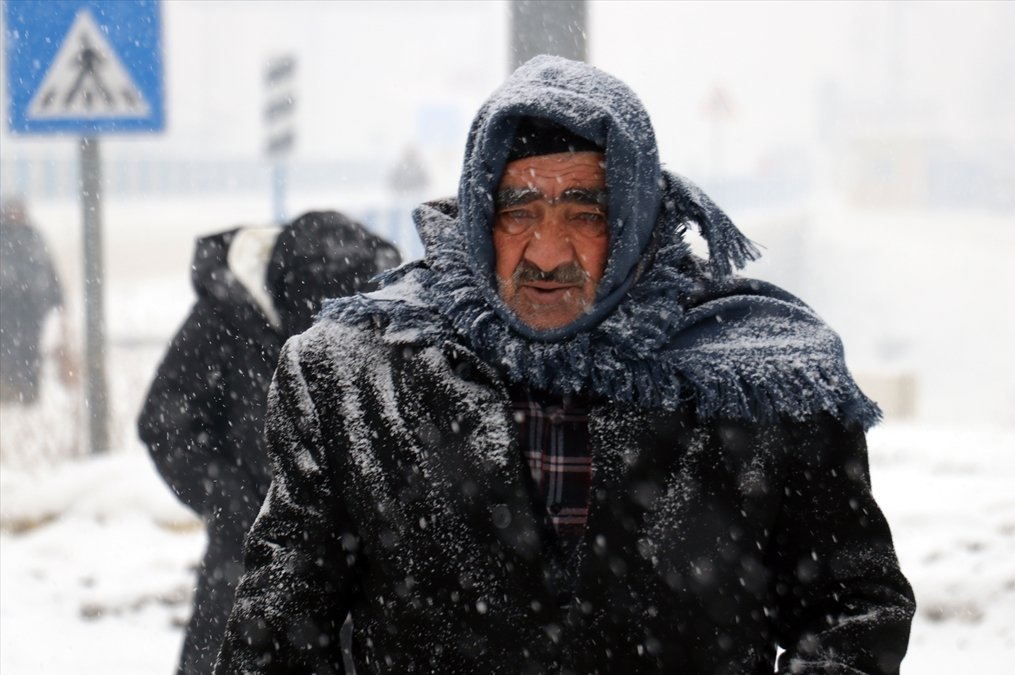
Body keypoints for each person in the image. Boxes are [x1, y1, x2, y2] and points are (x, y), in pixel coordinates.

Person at [217, 56, 914, 674]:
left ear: (640, 213)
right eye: (519, 209)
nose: (547, 252)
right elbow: (277, 634)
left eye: (585, 211)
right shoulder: (354, 379)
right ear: (476, 211)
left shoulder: (760, 380)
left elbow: (852, 608)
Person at [138, 211, 400, 675]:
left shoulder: (384, 306)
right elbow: (165, 420)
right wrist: (226, 494)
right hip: (247, 557)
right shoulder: (227, 313)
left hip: (364, 562)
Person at [0, 197, 63, 405]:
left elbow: (48, 267)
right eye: (12, 210)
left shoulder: (34, 236)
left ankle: (29, 393)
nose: (15, 214)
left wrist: (57, 297)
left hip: (32, 309)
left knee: (30, 351)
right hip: (6, 309)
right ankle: (7, 392)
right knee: (6, 351)